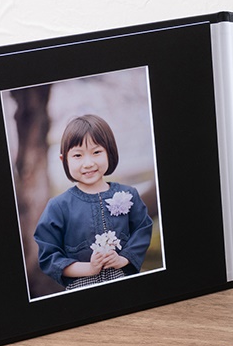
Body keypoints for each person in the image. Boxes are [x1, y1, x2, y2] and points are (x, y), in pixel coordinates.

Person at [34, 114, 153, 291]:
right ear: (64, 160)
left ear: (109, 152)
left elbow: (142, 229)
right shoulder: (58, 207)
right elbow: (49, 256)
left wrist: (123, 259)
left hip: (125, 280)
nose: (88, 163)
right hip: (83, 288)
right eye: (77, 155)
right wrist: (89, 268)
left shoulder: (128, 194)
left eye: (96, 152)